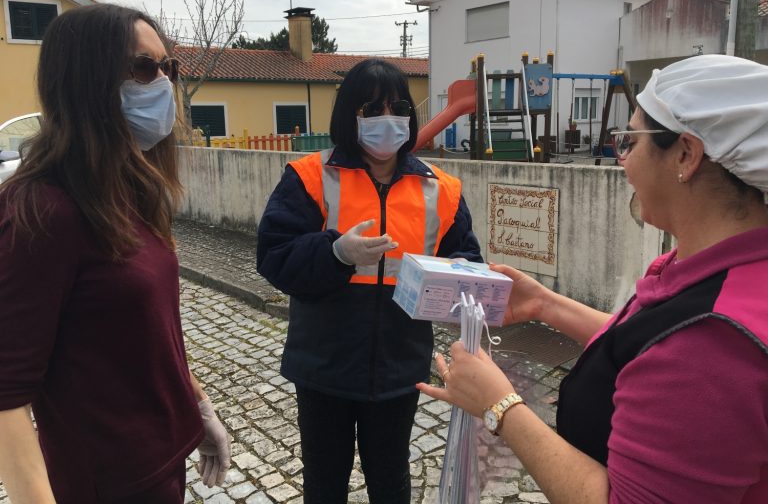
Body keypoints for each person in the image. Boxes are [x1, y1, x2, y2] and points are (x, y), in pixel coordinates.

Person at [418, 54, 768, 503]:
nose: (623, 161)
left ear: (686, 153)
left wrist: (500, 406)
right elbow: (647, 346)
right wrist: (546, 304)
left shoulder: (715, 343)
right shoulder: (717, 270)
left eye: (631, 141)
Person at [0, 4, 231, 503]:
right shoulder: (44, 209)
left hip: (162, 466)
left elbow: (148, 332)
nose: (163, 83)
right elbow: (7, 394)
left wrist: (200, 407)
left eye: (167, 67)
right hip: (105, 485)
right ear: (87, 82)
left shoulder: (131, 191)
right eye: (143, 68)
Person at [257, 58, 482, 503]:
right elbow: (274, 256)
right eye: (372, 110)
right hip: (323, 367)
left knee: (391, 482)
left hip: (399, 368)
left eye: (397, 107)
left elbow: (466, 261)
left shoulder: (442, 188)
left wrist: (464, 280)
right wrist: (335, 252)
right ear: (349, 116)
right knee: (324, 483)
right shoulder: (309, 177)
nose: (387, 120)